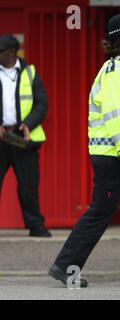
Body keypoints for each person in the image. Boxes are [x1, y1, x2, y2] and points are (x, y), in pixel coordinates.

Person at [48, 12, 120, 287]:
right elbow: (116, 114)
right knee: (101, 211)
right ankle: (65, 266)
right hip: (113, 155)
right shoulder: (114, 71)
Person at [0, 34, 51, 237]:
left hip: (23, 139)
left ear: (11, 53)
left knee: (28, 186)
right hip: (1, 138)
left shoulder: (30, 73)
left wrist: (28, 123)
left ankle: (35, 226)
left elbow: (42, 103)